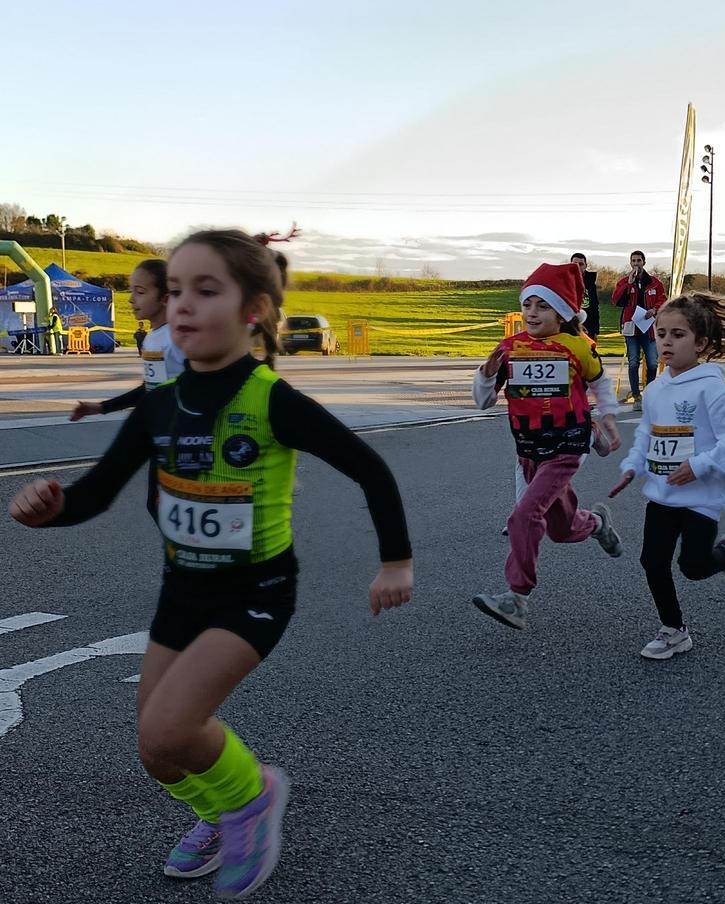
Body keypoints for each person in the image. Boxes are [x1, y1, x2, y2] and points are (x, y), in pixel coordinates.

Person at [7, 229, 415, 897]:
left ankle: (253, 798)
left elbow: (370, 468)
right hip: (182, 593)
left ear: (252, 310)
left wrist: (395, 562)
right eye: (174, 291)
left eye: (205, 290)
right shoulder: (159, 405)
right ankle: (222, 815)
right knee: (157, 749)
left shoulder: (270, 399)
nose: (183, 305)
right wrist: (49, 509)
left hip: (254, 592)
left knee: (172, 725)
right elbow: (94, 494)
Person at [473, 262, 624, 629]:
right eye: (528, 305)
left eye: (543, 306)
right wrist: (486, 375)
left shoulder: (578, 347)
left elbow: (600, 382)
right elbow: (483, 402)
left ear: (561, 313)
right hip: (529, 449)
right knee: (561, 528)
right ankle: (596, 523)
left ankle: (516, 598)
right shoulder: (510, 349)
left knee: (523, 516)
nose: (532, 313)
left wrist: (608, 416)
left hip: (568, 446)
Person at [611, 292, 725, 659]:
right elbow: (647, 434)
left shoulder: (711, 389)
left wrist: (699, 465)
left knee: (693, 566)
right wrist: (633, 465)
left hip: (700, 498)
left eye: (678, 335)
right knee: (652, 561)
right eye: (661, 334)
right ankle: (674, 630)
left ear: (701, 343)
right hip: (662, 494)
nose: (666, 342)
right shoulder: (656, 389)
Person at [71, 260, 187, 422]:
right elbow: (151, 388)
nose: (131, 299)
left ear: (165, 298)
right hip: (163, 427)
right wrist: (102, 407)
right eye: (132, 291)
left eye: (140, 292)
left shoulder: (181, 338)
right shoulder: (152, 338)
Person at [611, 251, 665, 412]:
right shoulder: (624, 282)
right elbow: (616, 300)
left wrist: (654, 310)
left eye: (639, 260)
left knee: (653, 362)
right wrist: (628, 284)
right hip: (632, 327)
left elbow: (662, 299)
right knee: (633, 362)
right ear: (630, 263)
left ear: (644, 262)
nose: (636, 264)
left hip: (648, 327)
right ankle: (636, 396)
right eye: (633, 261)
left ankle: (649, 393)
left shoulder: (654, 283)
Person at [571, 252, 602, 341]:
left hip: (588, 327)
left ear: (585, 266)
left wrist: (595, 330)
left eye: (581, 264)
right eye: (575, 264)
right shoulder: (564, 281)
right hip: (570, 326)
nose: (578, 267)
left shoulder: (590, 282)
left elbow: (594, 307)